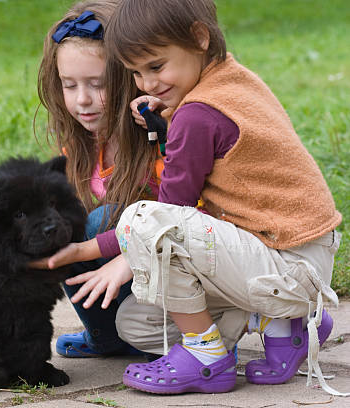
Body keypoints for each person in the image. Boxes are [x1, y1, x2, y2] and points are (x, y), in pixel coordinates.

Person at [58, 0, 347, 396]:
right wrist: (173, 114)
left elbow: (164, 216)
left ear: (199, 37)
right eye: (136, 72)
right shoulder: (232, 78)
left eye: (156, 66)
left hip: (287, 264)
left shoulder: (198, 115)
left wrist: (88, 250)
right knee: (135, 323)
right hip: (296, 260)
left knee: (143, 218)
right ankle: (284, 325)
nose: (146, 84)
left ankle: (205, 356)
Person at [0, 0, 163, 359]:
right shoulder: (79, 147)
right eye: (69, 85)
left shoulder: (158, 139)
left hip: (165, 271)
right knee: (62, 223)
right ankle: (107, 335)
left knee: (101, 218)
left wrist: (126, 259)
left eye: (98, 84)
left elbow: (189, 217)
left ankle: (172, 333)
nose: (82, 100)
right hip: (114, 273)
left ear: (130, 78)